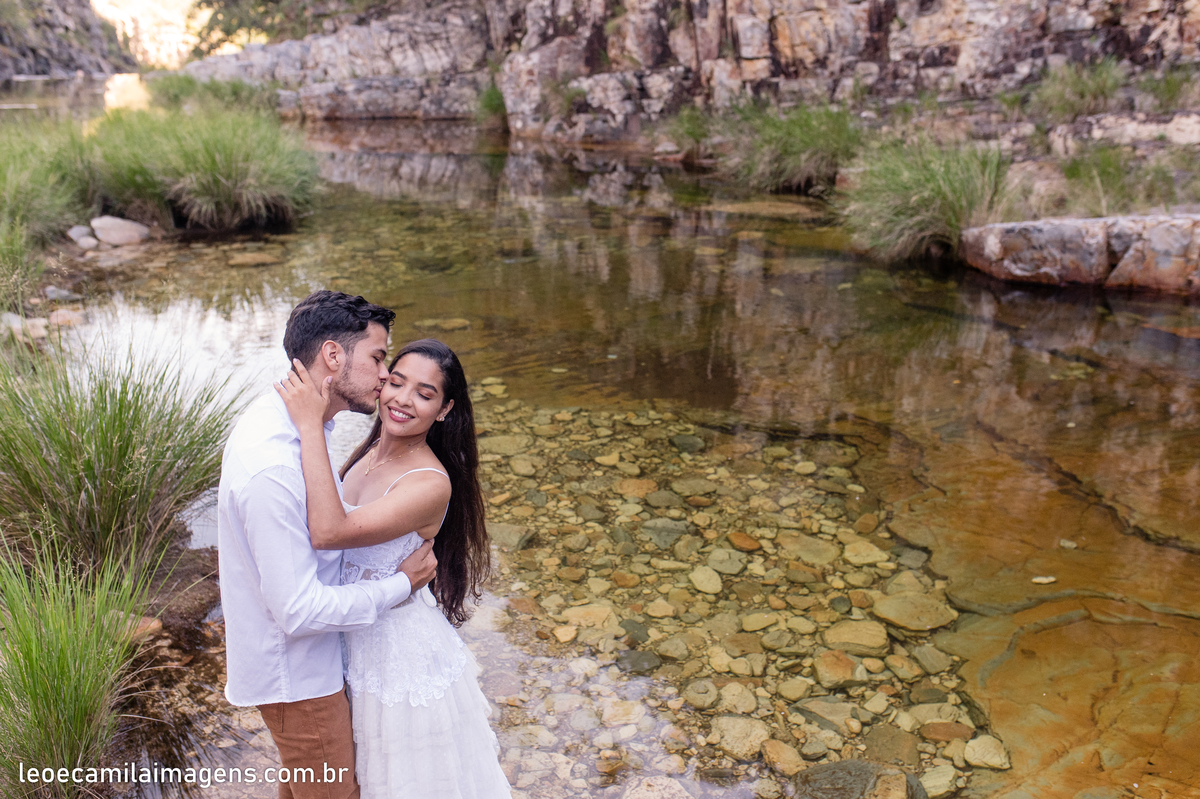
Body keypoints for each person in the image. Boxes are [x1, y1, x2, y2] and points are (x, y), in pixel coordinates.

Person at [217, 290, 438, 799]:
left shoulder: (297, 426)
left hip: (310, 669)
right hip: (299, 678)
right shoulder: (275, 465)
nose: (385, 375)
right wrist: (400, 585)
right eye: (378, 358)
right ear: (333, 356)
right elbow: (298, 611)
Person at [274, 338, 511, 799]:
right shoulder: (366, 455)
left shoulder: (429, 483)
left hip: (397, 659)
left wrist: (309, 423)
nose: (402, 400)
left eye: (424, 393)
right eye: (396, 382)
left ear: (444, 410)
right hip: (348, 638)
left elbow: (330, 531)